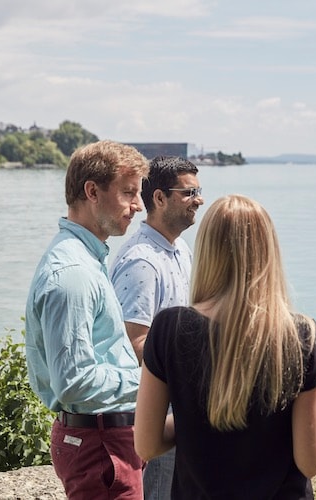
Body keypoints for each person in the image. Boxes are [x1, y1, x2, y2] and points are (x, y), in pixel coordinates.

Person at [134, 194, 316, 499]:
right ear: (269, 252)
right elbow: (312, 461)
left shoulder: (168, 328)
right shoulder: (301, 335)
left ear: (208, 250)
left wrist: (190, 421)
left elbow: (146, 444)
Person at [24, 140, 149, 499]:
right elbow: (75, 382)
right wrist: (153, 385)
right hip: (100, 446)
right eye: (128, 193)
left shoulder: (85, 259)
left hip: (104, 440)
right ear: (92, 191)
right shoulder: (74, 273)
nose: (137, 206)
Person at [110, 156, 203, 499]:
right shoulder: (142, 262)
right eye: (189, 192)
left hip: (181, 400)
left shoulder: (179, 249)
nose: (199, 199)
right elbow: (134, 342)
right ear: (160, 198)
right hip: (159, 406)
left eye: (199, 191)